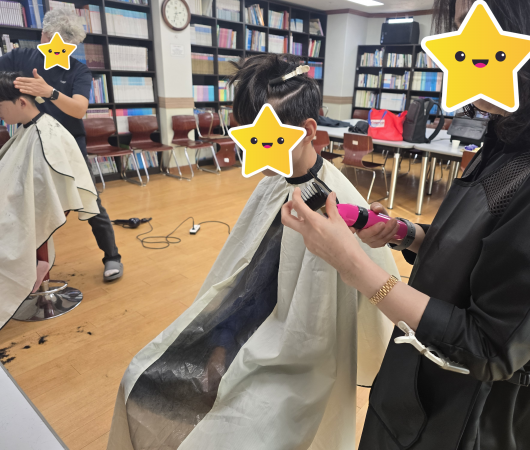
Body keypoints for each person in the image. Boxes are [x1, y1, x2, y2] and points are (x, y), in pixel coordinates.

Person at [281, 0, 530, 449]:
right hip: (418, 380)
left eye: (477, 32)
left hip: (472, 418)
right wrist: (407, 235)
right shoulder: (517, 131)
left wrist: (352, 265)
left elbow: (488, 347)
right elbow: (488, 252)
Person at [107, 54, 398, 450]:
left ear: (307, 130)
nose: (252, 152)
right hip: (245, 331)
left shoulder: (338, 207)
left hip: (300, 362)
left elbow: (323, 327)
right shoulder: (273, 186)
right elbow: (248, 284)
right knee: (137, 379)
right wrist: (222, 344)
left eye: (266, 139)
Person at [0, 9, 123, 281]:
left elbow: (79, 109)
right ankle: (29, 266)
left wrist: (50, 92)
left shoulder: (78, 70)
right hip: (31, 142)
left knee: (90, 202)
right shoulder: (21, 58)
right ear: (44, 35)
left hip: (68, 145)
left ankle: (112, 256)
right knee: (22, 205)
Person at [0, 71, 99, 329]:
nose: (0, 114)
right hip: (22, 205)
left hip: (31, 210)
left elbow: (43, 194)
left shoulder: (47, 133)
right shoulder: (29, 130)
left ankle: (36, 268)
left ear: (22, 102)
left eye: (0, 106)